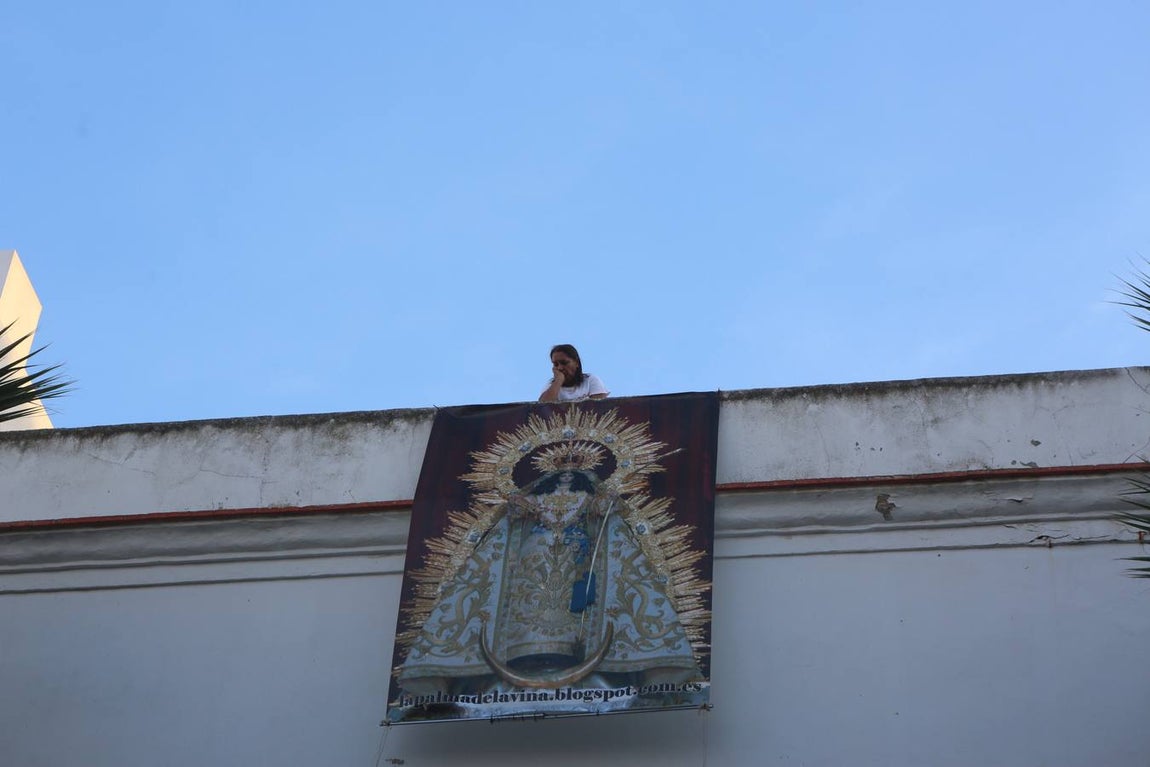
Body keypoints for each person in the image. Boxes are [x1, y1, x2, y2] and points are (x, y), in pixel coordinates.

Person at [539, 344, 609, 402]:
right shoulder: (551, 385)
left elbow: (601, 407)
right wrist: (558, 381)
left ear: (576, 363)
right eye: (556, 364)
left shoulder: (590, 380)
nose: (560, 368)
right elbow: (542, 407)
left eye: (564, 363)